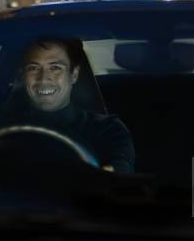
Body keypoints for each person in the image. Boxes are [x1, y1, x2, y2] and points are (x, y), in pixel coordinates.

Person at [7, 37, 135, 173]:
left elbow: (118, 174)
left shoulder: (108, 129)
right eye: (33, 68)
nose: (43, 78)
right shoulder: (2, 129)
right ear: (23, 76)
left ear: (74, 75)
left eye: (55, 67)